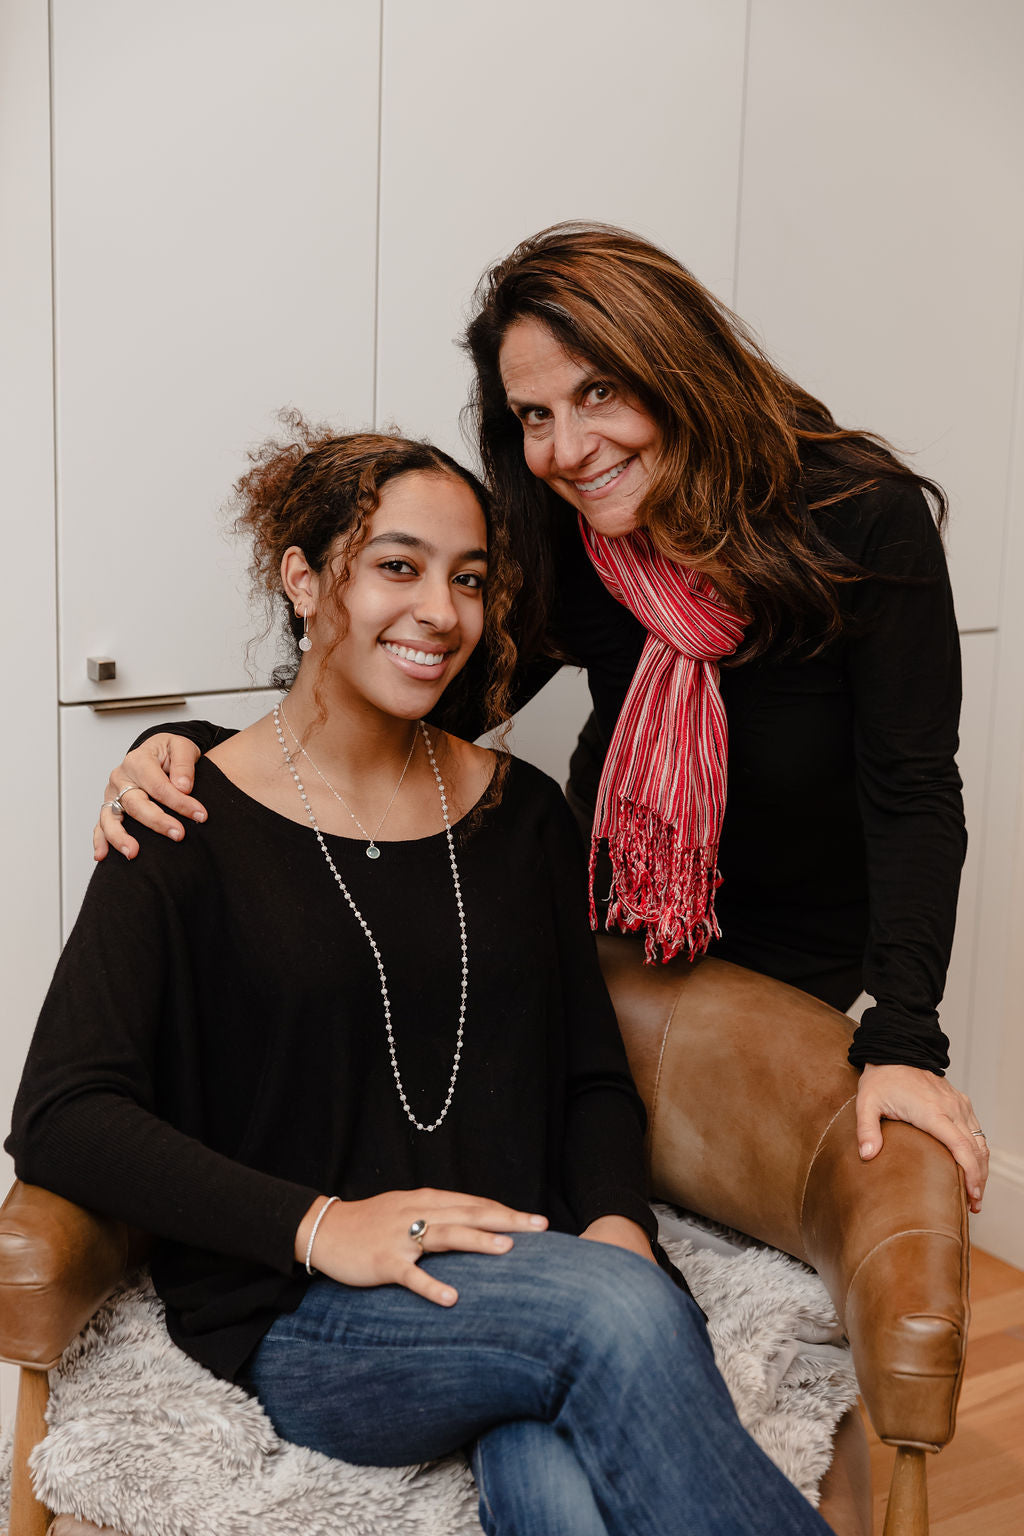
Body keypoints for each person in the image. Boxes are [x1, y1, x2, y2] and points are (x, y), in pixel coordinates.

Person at [10, 424, 834, 1536]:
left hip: (529, 1279)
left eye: (469, 579)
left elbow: (589, 1074)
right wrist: (319, 1226)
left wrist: (618, 1235)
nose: (440, 612)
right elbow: (64, 1113)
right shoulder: (184, 817)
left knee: (555, 1474)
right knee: (606, 1328)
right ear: (304, 582)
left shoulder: (521, 813)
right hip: (314, 1320)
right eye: (397, 566)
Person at [93, 224, 988, 1212]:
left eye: (597, 392)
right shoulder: (569, 544)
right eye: (533, 414)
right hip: (602, 933)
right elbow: (403, 708)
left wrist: (905, 1039)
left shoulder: (857, 514)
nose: (564, 450)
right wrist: (195, 755)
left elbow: (911, 792)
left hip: (796, 964)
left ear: (677, 369)